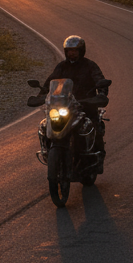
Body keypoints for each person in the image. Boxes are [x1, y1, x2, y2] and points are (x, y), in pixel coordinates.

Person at [38, 35, 108, 172]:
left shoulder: (90, 65)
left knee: (92, 126)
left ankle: (97, 157)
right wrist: (41, 95)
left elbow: (100, 80)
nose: (72, 53)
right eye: (69, 50)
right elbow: (51, 81)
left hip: (85, 104)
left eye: (75, 50)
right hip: (64, 105)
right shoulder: (62, 66)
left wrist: (101, 93)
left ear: (81, 51)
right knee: (45, 124)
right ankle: (48, 151)